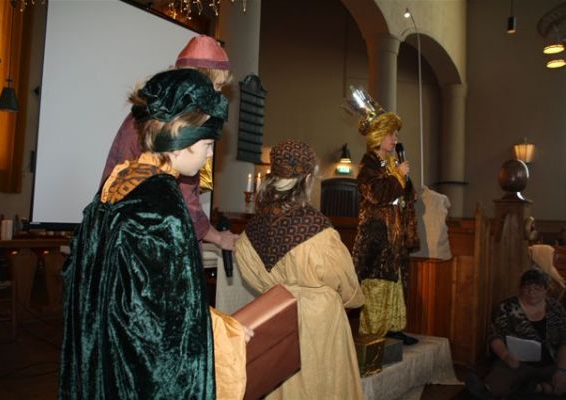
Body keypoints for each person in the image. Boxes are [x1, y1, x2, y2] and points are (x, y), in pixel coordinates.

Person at [60, 69, 248, 399]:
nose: (209, 155)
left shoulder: (121, 181)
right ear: (179, 137)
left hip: (104, 359)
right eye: (206, 144)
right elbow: (164, 322)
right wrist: (223, 332)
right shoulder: (161, 202)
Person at [234, 139, 365, 399]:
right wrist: (353, 300)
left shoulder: (253, 229)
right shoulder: (315, 228)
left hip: (278, 315)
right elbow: (346, 282)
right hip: (320, 322)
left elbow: (253, 275)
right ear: (307, 178)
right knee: (322, 386)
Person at [100, 35, 237, 251]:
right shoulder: (177, 125)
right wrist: (218, 238)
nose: (218, 94)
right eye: (217, 86)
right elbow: (185, 203)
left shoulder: (148, 113)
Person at [351, 107, 420, 345]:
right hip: (377, 237)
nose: (395, 139)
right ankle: (373, 333)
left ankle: (393, 328)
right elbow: (376, 193)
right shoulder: (368, 165)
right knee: (377, 284)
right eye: (391, 134)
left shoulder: (391, 162)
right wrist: (398, 176)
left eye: (396, 134)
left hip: (394, 237)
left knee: (395, 281)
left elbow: (406, 194)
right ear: (378, 136)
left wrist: (404, 181)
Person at [466, 269, 566, 399]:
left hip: (551, 362)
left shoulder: (555, 307)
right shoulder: (507, 307)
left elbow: (564, 340)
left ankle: (539, 388)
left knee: (561, 383)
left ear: (546, 290)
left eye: (537, 289)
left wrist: (561, 370)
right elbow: (495, 336)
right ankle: (538, 388)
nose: (531, 292)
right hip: (516, 362)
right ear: (520, 288)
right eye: (527, 288)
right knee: (496, 386)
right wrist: (505, 356)